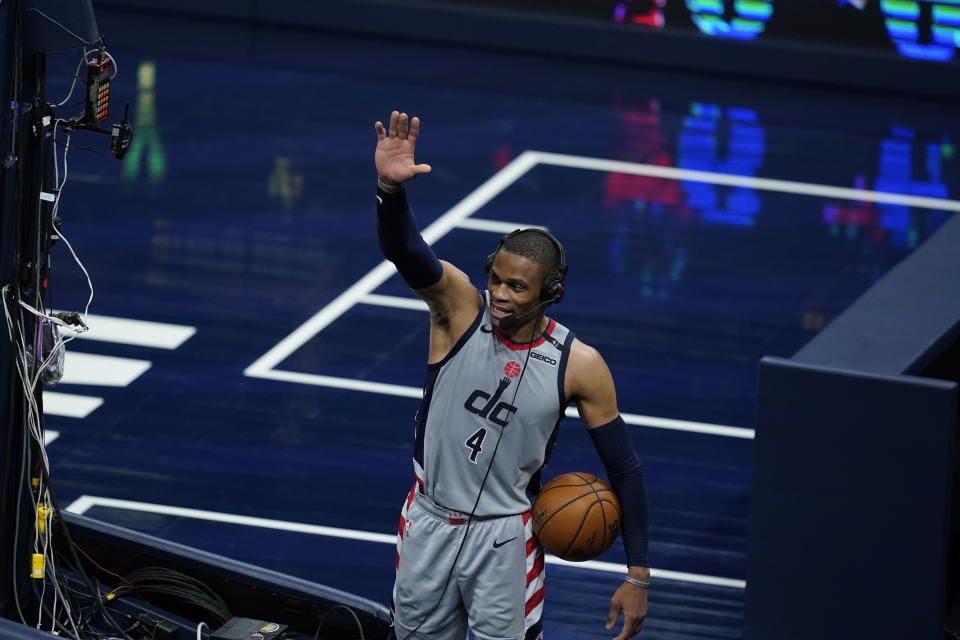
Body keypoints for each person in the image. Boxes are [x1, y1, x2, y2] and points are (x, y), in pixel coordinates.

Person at [374, 111, 650, 640]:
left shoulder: (580, 364)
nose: (500, 294)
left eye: (518, 288)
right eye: (496, 280)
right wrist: (390, 189)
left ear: (551, 294)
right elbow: (405, 251)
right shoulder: (457, 311)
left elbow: (626, 469)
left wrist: (637, 574)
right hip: (428, 520)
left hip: (505, 539)